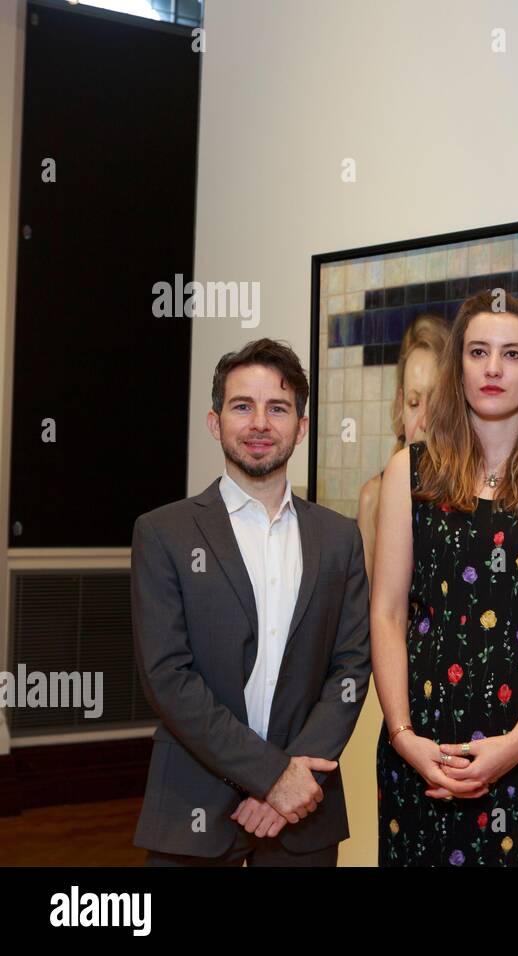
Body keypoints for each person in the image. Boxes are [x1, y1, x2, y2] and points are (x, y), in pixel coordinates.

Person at [371, 289, 518, 866]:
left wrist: (517, 745)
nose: (493, 368)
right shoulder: (410, 471)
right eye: (477, 351)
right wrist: (403, 737)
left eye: (512, 354)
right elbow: (388, 612)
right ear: (459, 366)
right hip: (422, 750)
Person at [131, 338, 371, 866]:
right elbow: (167, 676)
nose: (260, 423)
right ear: (215, 422)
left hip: (306, 810)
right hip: (193, 804)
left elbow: (351, 668)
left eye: (278, 408)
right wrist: (271, 776)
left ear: (301, 428)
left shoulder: (339, 538)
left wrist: (294, 781)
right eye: (243, 406)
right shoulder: (163, 533)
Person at [358, 315, 449, 581]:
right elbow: (367, 613)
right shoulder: (374, 498)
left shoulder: (479, 490)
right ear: (401, 404)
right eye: (413, 403)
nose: (424, 421)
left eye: (438, 402)